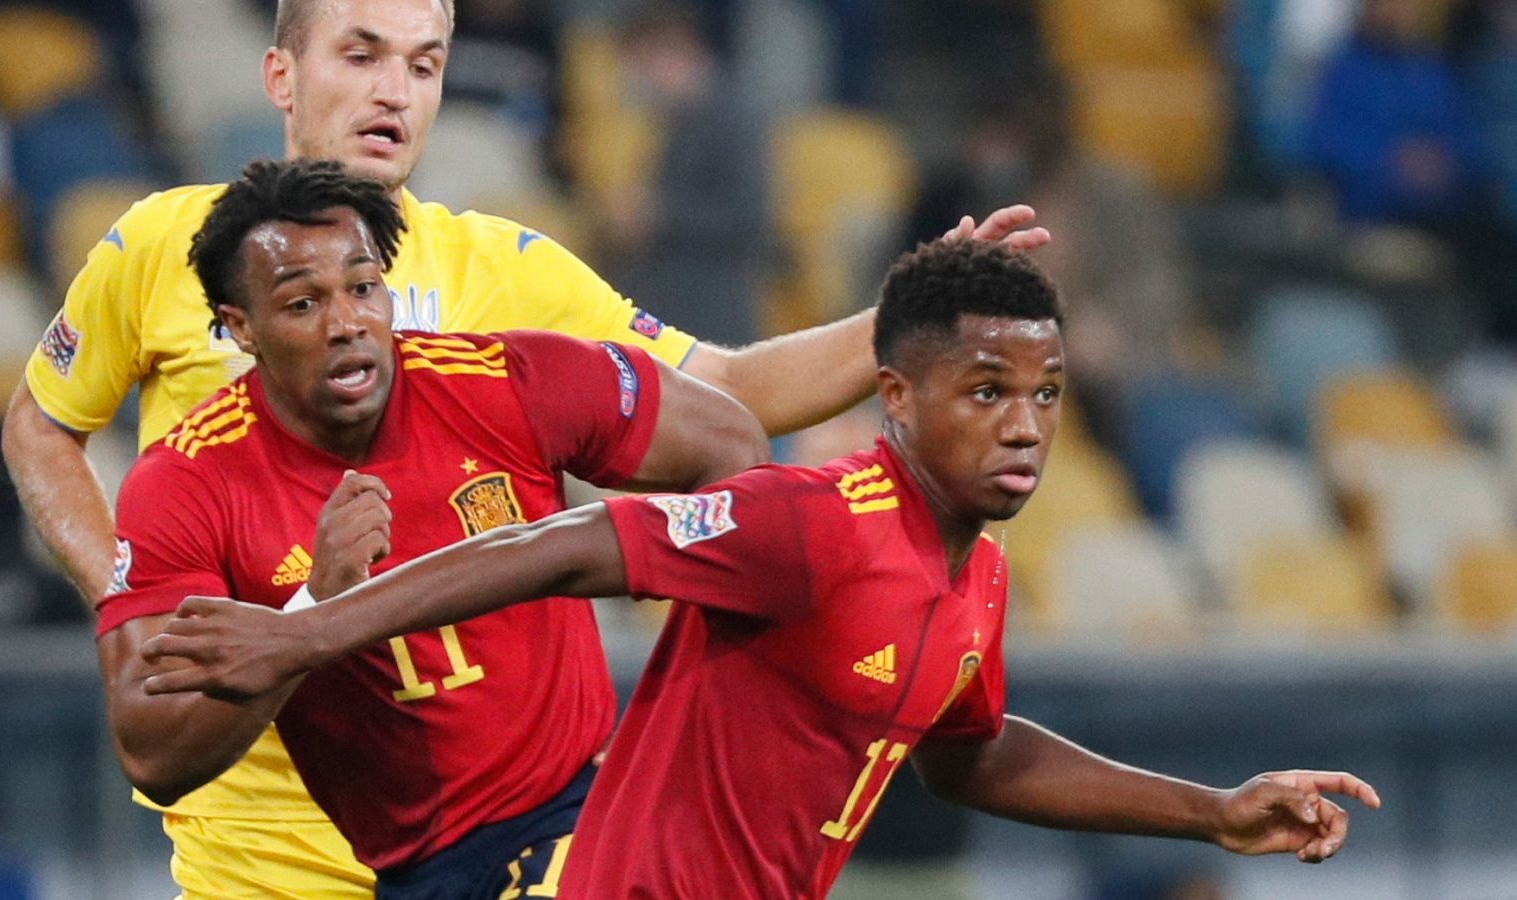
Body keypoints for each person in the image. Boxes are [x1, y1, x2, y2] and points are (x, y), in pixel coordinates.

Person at [0, 0, 1049, 894]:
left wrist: (918, 315)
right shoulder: (158, 249)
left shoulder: (505, 268)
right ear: (281, 72)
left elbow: (721, 392)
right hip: (259, 839)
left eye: (423, 64)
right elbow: (41, 424)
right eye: (359, 53)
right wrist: (131, 609)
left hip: (512, 830)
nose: (394, 92)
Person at [142, 237, 1383, 897]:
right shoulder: (810, 522)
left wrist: (1210, 813)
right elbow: (571, 544)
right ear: (894, 397)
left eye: (1046, 395)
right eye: (986, 391)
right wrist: (311, 632)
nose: (1023, 423)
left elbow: (969, 751)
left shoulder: (976, 574)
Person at [96, 158, 770, 897]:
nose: (347, 323)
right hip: (413, 872)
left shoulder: (508, 382)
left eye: (363, 287)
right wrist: (310, 606)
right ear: (240, 329)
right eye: (301, 305)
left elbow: (731, 448)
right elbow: (152, 752)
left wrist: (691, 704)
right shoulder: (184, 482)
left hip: (579, 813)